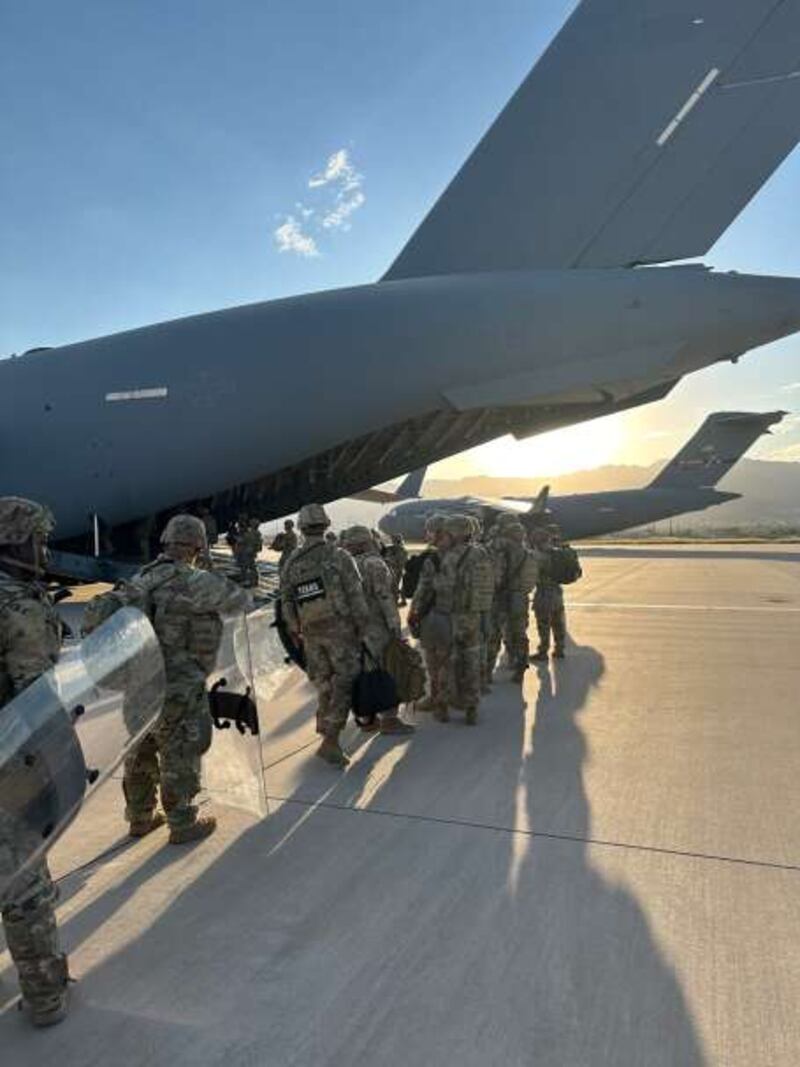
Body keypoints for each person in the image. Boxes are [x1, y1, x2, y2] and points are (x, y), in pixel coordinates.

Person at [116, 515, 250, 843]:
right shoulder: (196, 580)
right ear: (198, 545)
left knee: (141, 749)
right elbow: (239, 600)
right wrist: (207, 571)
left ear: (166, 541)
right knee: (180, 749)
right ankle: (182, 822)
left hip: (138, 683)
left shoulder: (141, 578)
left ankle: (139, 817)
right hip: (177, 684)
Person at [0, 496, 70, 1027]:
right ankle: (45, 996)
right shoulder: (19, 605)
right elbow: (36, 696)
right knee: (23, 880)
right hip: (9, 760)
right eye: (38, 540)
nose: (44, 550)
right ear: (16, 541)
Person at [281, 503, 368, 767]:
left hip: (310, 632)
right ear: (326, 525)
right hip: (341, 631)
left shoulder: (292, 562)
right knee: (343, 682)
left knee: (323, 680)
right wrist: (362, 626)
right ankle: (331, 740)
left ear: (301, 528)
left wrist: (295, 628)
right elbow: (356, 594)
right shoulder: (339, 556)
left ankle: (324, 722)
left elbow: (286, 600)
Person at [409, 513, 484, 725]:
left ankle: (440, 706)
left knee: (441, 664)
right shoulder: (480, 553)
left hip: (445, 618)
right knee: (470, 663)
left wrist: (414, 613)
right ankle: (471, 708)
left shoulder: (438, 559)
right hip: (472, 617)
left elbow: (424, 589)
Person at [340, 526, 414, 735]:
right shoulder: (374, 564)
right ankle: (390, 720)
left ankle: (367, 719)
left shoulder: (345, 565)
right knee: (388, 670)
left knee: (364, 673)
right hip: (376, 628)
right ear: (367, 542)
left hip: (353, 629)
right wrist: (395, 628)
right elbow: (384, 598)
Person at [408, 513, 447, 712]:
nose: (427, 535)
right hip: (466, 616)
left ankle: (436, 698)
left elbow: (423, 590)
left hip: (437, 617)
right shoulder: (473, 554)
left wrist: (414, 612)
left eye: (429, 531)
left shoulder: (433, 559)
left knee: (433, 659)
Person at [497, 522, 539, 682]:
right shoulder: (529, 555)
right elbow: (531, 581)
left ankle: (512, 658)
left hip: (504, 596)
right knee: (520, 632)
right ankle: (521, 664)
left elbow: (497, 575)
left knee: (505, 630)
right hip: (521, 598)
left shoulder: (503, 554)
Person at [530, 524, 567, 661]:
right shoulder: (557, 552)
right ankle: (560, 649)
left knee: (544, 625)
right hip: (558, 592)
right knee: (559, 623)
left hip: (544, 593)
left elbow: (531, 575)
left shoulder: (538, 556)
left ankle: (543, 651)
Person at [235, 517, 263, 588]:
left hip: (249, 552)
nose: (250, 524)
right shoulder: (255, 533)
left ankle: (252, 581)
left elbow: (243, 540)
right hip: (249, 551)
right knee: (250, 567)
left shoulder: (253, 533)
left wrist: (237, 538)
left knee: (250, 567)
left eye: (252, 523)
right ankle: (252, 581)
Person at [383, 533, 408, 605]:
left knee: (395, 586)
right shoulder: (395, 549)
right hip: (397, 569)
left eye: (394, 540)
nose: (393, 541)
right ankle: (401, 600)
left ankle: (396, 600)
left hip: (397, 569)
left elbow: (400, 561)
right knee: (397, 585)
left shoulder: (399, 549)